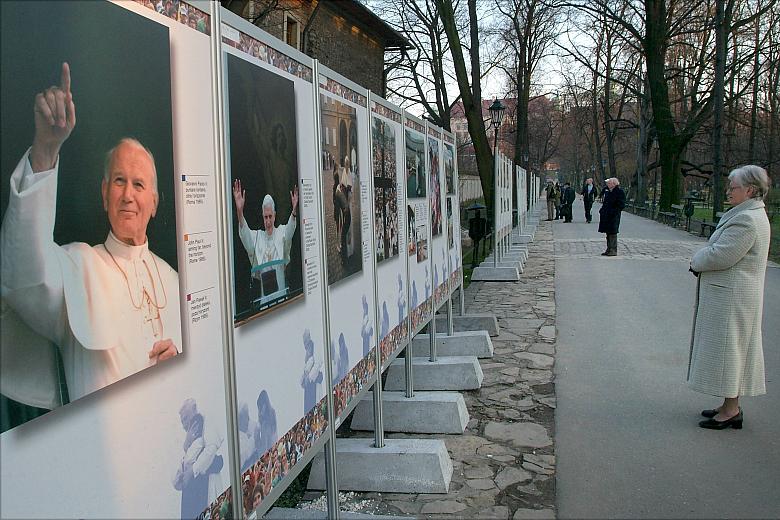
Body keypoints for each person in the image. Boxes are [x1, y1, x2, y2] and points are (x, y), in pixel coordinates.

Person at [1, 62, 180, 410]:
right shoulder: (78, 265)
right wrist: (46, 150)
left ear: (154, 203)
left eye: (139, 184)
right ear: (104, 194)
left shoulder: (172, 280)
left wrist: (179, 360)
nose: (128, 195)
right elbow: (23, 273)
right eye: (118, 181)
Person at [688, 165, 770, 430]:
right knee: (729, 351)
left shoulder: (747, 219)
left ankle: (732, 409)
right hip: (732, 297)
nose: (729, 191)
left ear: (750, 189)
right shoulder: (747, 214)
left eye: (733, 187)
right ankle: (728, 404)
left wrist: (696, 260)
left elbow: (721, 254)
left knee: (730, 351)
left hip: (734, 299)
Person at [232, 178, 298, 297]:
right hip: (265, 298)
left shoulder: (281, 232)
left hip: (281, 293)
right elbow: (245, 234)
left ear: (274, 216)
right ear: (262, 216)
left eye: (270, 216)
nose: (268, 221)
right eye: (265, 217)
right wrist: (239, 211)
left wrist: (293, 211)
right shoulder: (258, 236)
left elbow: (289, 231)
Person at [173, 398, 224, 520]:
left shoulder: (207, 422)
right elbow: (181, 474)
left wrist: (192, 471)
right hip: (191, 498)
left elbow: (211, 450)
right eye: (182, 422)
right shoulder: (189, 439)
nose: (184, 425)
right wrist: (186, 445)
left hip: (206, 490)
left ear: (195, 409)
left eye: (185, 419)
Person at [598, 177, 626, 256]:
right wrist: (602, 211)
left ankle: (613, 249)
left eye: (609, 183)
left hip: (613, 215)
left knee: (613, 232)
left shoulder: (619, 192)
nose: (608, 184)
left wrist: (614, 211)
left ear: (614, 184)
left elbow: (621, 204)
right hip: (606, 215)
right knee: (608, 232)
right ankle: (609, 248)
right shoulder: (609, 191)